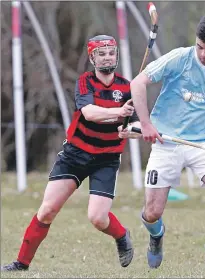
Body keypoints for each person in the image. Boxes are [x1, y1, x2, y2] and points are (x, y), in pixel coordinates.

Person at [1, 35, 141, 271]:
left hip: (106, 159)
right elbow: (89, 113)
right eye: (101, 53)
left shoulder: (128, 87)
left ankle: (121, 236)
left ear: (116, 55)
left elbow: (137, 126)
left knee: (97, 218)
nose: (107, 57)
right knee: (47, 211)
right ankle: (21, 263)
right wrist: (119, 112)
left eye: (111, 53)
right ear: (92, 57)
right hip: (76, 154)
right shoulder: (85, 82)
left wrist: (130, 131)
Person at [122, 15, 205, 269]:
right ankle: (156, 236)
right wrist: (146, 124)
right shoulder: (179, 57)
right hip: (165, 141)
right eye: (200, 47)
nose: (203, 54)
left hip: (202, 142)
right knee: (152, 213)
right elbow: (138, 84)